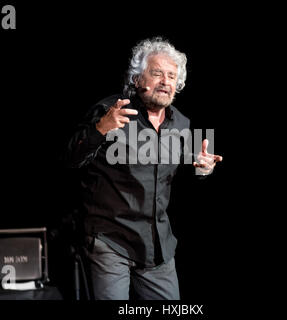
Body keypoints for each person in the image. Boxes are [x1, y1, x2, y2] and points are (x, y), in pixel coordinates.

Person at [65, 37, 222, 300]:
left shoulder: (181, 124)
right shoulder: (110, 110)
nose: (165, 81)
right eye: (157, 73)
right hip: (111, 241)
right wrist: (101, 128)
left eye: (172, 76)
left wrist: (204, 169)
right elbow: (71, 159)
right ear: (137, 79)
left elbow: (188, 167)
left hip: (157, 246)